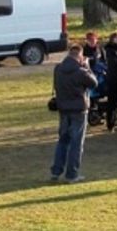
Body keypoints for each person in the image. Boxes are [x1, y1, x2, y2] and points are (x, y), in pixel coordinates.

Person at [50, 44, 98, 183]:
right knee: (76, 143)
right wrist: (87, 67)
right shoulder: (81, 71)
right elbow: (93, 83)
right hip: (78, 109)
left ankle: (56, 171)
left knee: (63, 140)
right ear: (80, 56)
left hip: (63, 108)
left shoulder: (58, 68)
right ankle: (72, 174)